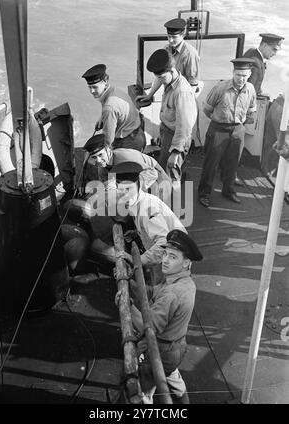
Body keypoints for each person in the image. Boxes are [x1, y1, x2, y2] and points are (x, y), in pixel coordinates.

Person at [116, 228, 202, 404]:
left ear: (186, 263)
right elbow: (153, 293)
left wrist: (128, 305)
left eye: (173, 257)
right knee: (171, 374)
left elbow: (148, 329)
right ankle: (184, 401)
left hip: (163, 350)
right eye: (165, 254)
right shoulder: (185, 281)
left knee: (142, 392)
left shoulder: (172, 294)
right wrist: (130, 282)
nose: (165, 261)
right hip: (177, 345)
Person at [198, 58, 257, 208]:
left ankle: (228, 190)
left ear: (249, 74)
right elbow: (207, 109)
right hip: (218, 129)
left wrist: (240, 122)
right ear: (233, 73)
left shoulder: (250, 89)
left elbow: (251, 110)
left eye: (244, 75)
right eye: (238, 75)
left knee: (233, 163)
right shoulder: (220, 88)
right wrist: (219, 122)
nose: (241, 79)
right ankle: (204, 193)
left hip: (238, 130)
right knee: (211, 163)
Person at [144, 49, 197, 209]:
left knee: (170, 175)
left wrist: (175, 152)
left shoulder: (182, 92)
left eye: (161, 76)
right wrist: (149, 94)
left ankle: (171, 209)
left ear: (172, 70)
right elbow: (160, 80)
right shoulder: (169, 80)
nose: (159, 80)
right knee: (165, 170)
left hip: (177, 138)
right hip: (168, 132)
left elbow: (184, 127)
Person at [82, 133, 172, 205]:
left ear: (108, 150)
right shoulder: (102, 168)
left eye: (100, 155)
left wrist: (128, 191)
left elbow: (152, 173)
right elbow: (110, 190)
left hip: (158, 180)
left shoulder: (124, 157)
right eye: (94, 157)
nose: (98, 160)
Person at [82, 64, 146, 151]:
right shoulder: (114, 90)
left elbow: (108, 140)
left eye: (94, 87)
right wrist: (102, 118)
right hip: (137, 133)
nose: (92, 91)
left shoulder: (109, 107)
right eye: (89, 87)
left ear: (105, 82)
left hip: (129, 143)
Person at [136, 18, 200, 105]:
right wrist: (150, 95)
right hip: (168, 96)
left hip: (182, 99)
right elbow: (161, 77)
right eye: (169, 36)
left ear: (183, 35)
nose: (170, 40)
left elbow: (193, 84)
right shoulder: (166, 49)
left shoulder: (190, 54)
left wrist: (183, 104)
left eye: (174, 37)